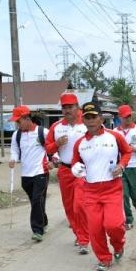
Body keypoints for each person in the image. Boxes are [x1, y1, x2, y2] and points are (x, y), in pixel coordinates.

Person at [70, 102, 132, 271]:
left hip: (112, 188)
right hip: (90, 190)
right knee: (95, 228)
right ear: (83, 120)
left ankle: (118, 245)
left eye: (94, 117)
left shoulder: (114, 136)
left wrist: (122, 165)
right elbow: (76, 162)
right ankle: (104, 258)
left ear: (101, 118)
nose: (90, 121)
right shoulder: (80, 143)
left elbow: (127, 152)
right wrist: (76, 168)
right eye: (87, 118)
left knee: (114, 225)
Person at [45, 92, 88, 253]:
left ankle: (84, 239)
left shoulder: (88, 123)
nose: (67, 110)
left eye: (70, 107)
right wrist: (56, 144)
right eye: (64, 107)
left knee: (79, 205)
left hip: (84, 171)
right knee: (69, 207)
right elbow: (47, 148)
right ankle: (79, 234)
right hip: (65, 170)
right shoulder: (56, 127)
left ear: (77, 107)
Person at [8, 105, 50, 242]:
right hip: (26, 174)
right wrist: (13, 159)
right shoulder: (17, 135)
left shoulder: (43, 132)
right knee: (35, 202)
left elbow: (53, 147)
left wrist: (54, 160)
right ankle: (43, 221)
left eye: (18, 121)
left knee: (37, 199)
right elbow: (14, 150)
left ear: (27, 119)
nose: (17, 124)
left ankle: (37, 230)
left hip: (41, 172)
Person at [116, 104, 136, 229]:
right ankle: (128, 219)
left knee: (135, 193)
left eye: (129, 116)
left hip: (135, 166)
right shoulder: (115, 132)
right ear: (120, 117)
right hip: (121, 167)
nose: (128, 119)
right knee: (124, 194)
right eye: (125, 117)